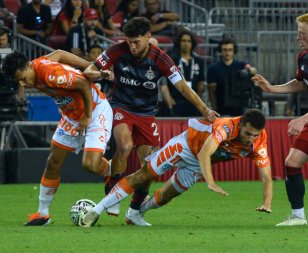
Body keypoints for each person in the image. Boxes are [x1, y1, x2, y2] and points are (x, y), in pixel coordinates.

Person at [83, 17, 218, 223]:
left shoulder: (161, 59)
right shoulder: (118, 50)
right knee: (125, 145)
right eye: (129, 41)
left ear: (148, 37)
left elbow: (182, 86)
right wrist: (100, 74)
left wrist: (204, 109)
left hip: (146, 113)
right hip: (121, 105)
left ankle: (135, 211)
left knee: (151, 165)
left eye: (136, 41)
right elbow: (88, 70)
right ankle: (113, 192)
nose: (132, 46)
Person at [79, 109, 273, 227]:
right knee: (143, 176)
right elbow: (205, 153)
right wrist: (211, 183)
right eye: (248, 134)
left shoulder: (258, 143)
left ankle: (135, 214)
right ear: (241, 125)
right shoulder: (227, 127)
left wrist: (267, 202)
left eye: (255, 135)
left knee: (166, 196)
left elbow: (266, 177)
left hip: (197, 166)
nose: (251, 139)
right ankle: (96, 210)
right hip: (185, 147)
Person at [2, 49, 113, 226]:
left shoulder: (52, 75)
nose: (23, 83)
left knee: (90, 165)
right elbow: (60, 54)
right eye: (18, 81)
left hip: (94, 109)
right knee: (53, 161)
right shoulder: (37, 65)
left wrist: (86, 115)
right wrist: (89, 66)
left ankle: (114, 172)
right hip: (71, 116)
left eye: (22, 78)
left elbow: (84, 85)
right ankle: (43, 214)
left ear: (29, 66)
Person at [251, 13, 308, 226]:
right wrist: (272, 88)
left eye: (301, 33)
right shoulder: (304, 57)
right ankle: (298, 216)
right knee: (292, 163)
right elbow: (302, 83)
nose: (297, 37)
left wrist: (303, 118)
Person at [161, 28, 205, 117]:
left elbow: (201, 82)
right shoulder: (171, 60)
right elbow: (164, 83)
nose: (186, 43)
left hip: (193, 103)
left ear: (192, 44)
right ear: (179, 42)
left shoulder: (198, 61)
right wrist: (169, 100)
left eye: (189, 41)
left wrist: (197, 100)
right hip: (175, 102)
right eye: (183, 40)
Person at [207, 37, 257, 116]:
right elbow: (211, 92)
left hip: (239, 108)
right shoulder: (213, 68)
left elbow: (253, 70)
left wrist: (250, 69)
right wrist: (215, 109)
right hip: (221, 109)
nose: (227, 52)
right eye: (225, 50)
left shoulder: (241, 65)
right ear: (221, 50)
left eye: (230, 50)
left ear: (234, 51)